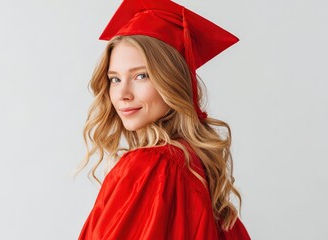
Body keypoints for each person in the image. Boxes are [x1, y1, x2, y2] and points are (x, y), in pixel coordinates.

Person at [77, 0, 251, 239]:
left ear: (172, 82)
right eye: (114, 79)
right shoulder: (195, 166)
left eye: (141, 76)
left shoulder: (151, 166)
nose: (123, 94)